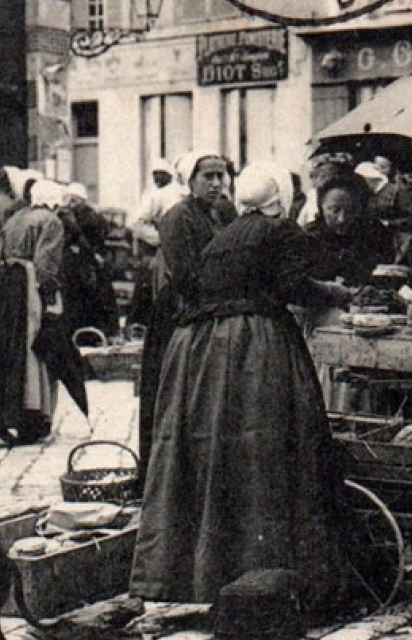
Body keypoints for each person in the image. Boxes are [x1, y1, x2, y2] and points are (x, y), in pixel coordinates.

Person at [130, 165, 356, 616]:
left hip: (200, 347)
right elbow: (297, 283)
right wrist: (333, 292)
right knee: (264, 447)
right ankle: (269, 572)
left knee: (215, 449)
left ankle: (204, 571)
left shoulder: (228, 232)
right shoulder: (275, 229)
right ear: (278, 199)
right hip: (252, 343)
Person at [135, 151, 234, 480]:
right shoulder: (178, 216)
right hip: (177, 313)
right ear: (189, 181)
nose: (217, 183)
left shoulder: (219, 213)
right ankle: (162, 472)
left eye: (221, 176)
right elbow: (185, 275)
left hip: (205, 309)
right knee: (171, 395)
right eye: (209, 177)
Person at [0, 178, 77, 445]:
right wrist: (49, 297)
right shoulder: (50, 222)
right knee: (30, 350)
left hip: (4, 284)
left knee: (5, 348)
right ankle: (31, 415)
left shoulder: (16, 218)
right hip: (27, 285)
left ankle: (2, 412)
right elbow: (45, 264)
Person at [306, 172, 394, 289]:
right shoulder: (308, 238)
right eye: (334, 210)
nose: (342, 219)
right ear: (321, 207)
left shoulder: (376, 234)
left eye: (351, 211)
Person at [126, 159, 186, 327]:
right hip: (165, 252)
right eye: (155, 176)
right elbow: (135, 221)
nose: (157, 179)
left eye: (161, 175)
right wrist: (160, 238)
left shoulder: (180, 194)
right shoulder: (158, 195)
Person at [58, 183, 121, 336]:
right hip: (95, 263)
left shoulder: (77, 217)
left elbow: (79, 237)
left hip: (85, 263)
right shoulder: (93, 215)